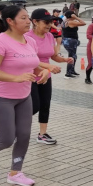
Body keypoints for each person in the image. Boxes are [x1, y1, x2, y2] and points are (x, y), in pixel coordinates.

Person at [0, 5, 50, 186]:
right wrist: (16, 78)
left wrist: (42, 73)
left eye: (28, 18)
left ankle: (15, 172)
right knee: (5, 139)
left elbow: (33, 65)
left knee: (23, 135)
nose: (28, 21)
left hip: (24, 96)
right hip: (0, 97)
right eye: (23, 18)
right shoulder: (0, 42)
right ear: (10, 21)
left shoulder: (30, 42)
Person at [25, 8, 73, 145]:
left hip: (46, 76)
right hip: (31, 75)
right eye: (46, 22)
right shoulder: (27, 38)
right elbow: (29, 59)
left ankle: (42, 134)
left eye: (51, 22)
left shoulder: (50, 36)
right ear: (34, 21)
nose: (49, 24)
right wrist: (49, 67)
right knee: (34, 106)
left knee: (45, 104)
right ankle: (17, 128)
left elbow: (52, 56)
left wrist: (64, 60)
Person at [60, 9, 86, 78]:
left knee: (73, 56)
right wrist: (76, 17)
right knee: (71, 56)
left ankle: (72, 70)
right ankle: (68, 72)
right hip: (70, 41)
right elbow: (83, 23)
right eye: (73, 14)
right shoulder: (71, 22)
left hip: (67, 40)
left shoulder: (65, 21)